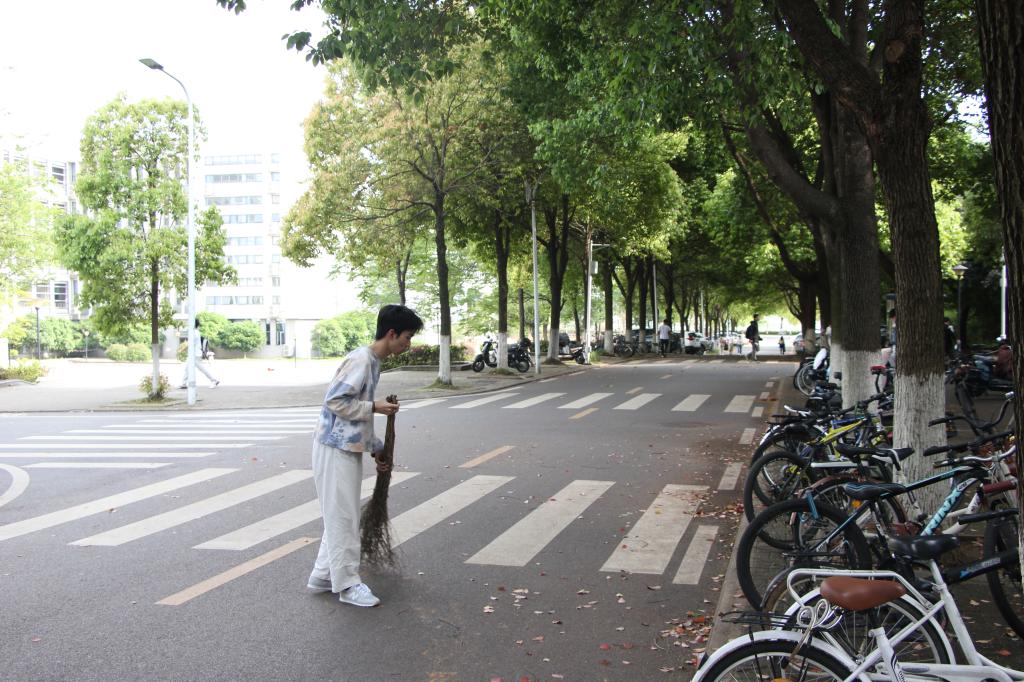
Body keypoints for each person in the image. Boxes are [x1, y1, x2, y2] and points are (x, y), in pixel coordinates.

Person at [307, 304, 423, 607]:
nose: (408, 344)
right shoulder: (361, 359)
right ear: (392, 333)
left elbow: (356, 416)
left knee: (340, 514)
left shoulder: (372, 362)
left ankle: (323, 574)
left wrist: (376, 447)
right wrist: (375, 406)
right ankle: (347, 585)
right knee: (344, 517)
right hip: (334, 448)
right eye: (407, 337)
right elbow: (335, 401)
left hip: (345, 447)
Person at [179, 319, 219, 389]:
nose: (188, 324)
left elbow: (190, 343)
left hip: (195, 355)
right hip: (193, 354)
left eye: (189, 323)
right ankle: (184, 384)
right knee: (187, 369)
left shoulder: (194, 333)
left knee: (202, 369)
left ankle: (214, 380)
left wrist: (182, 350)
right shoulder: (195, 332)